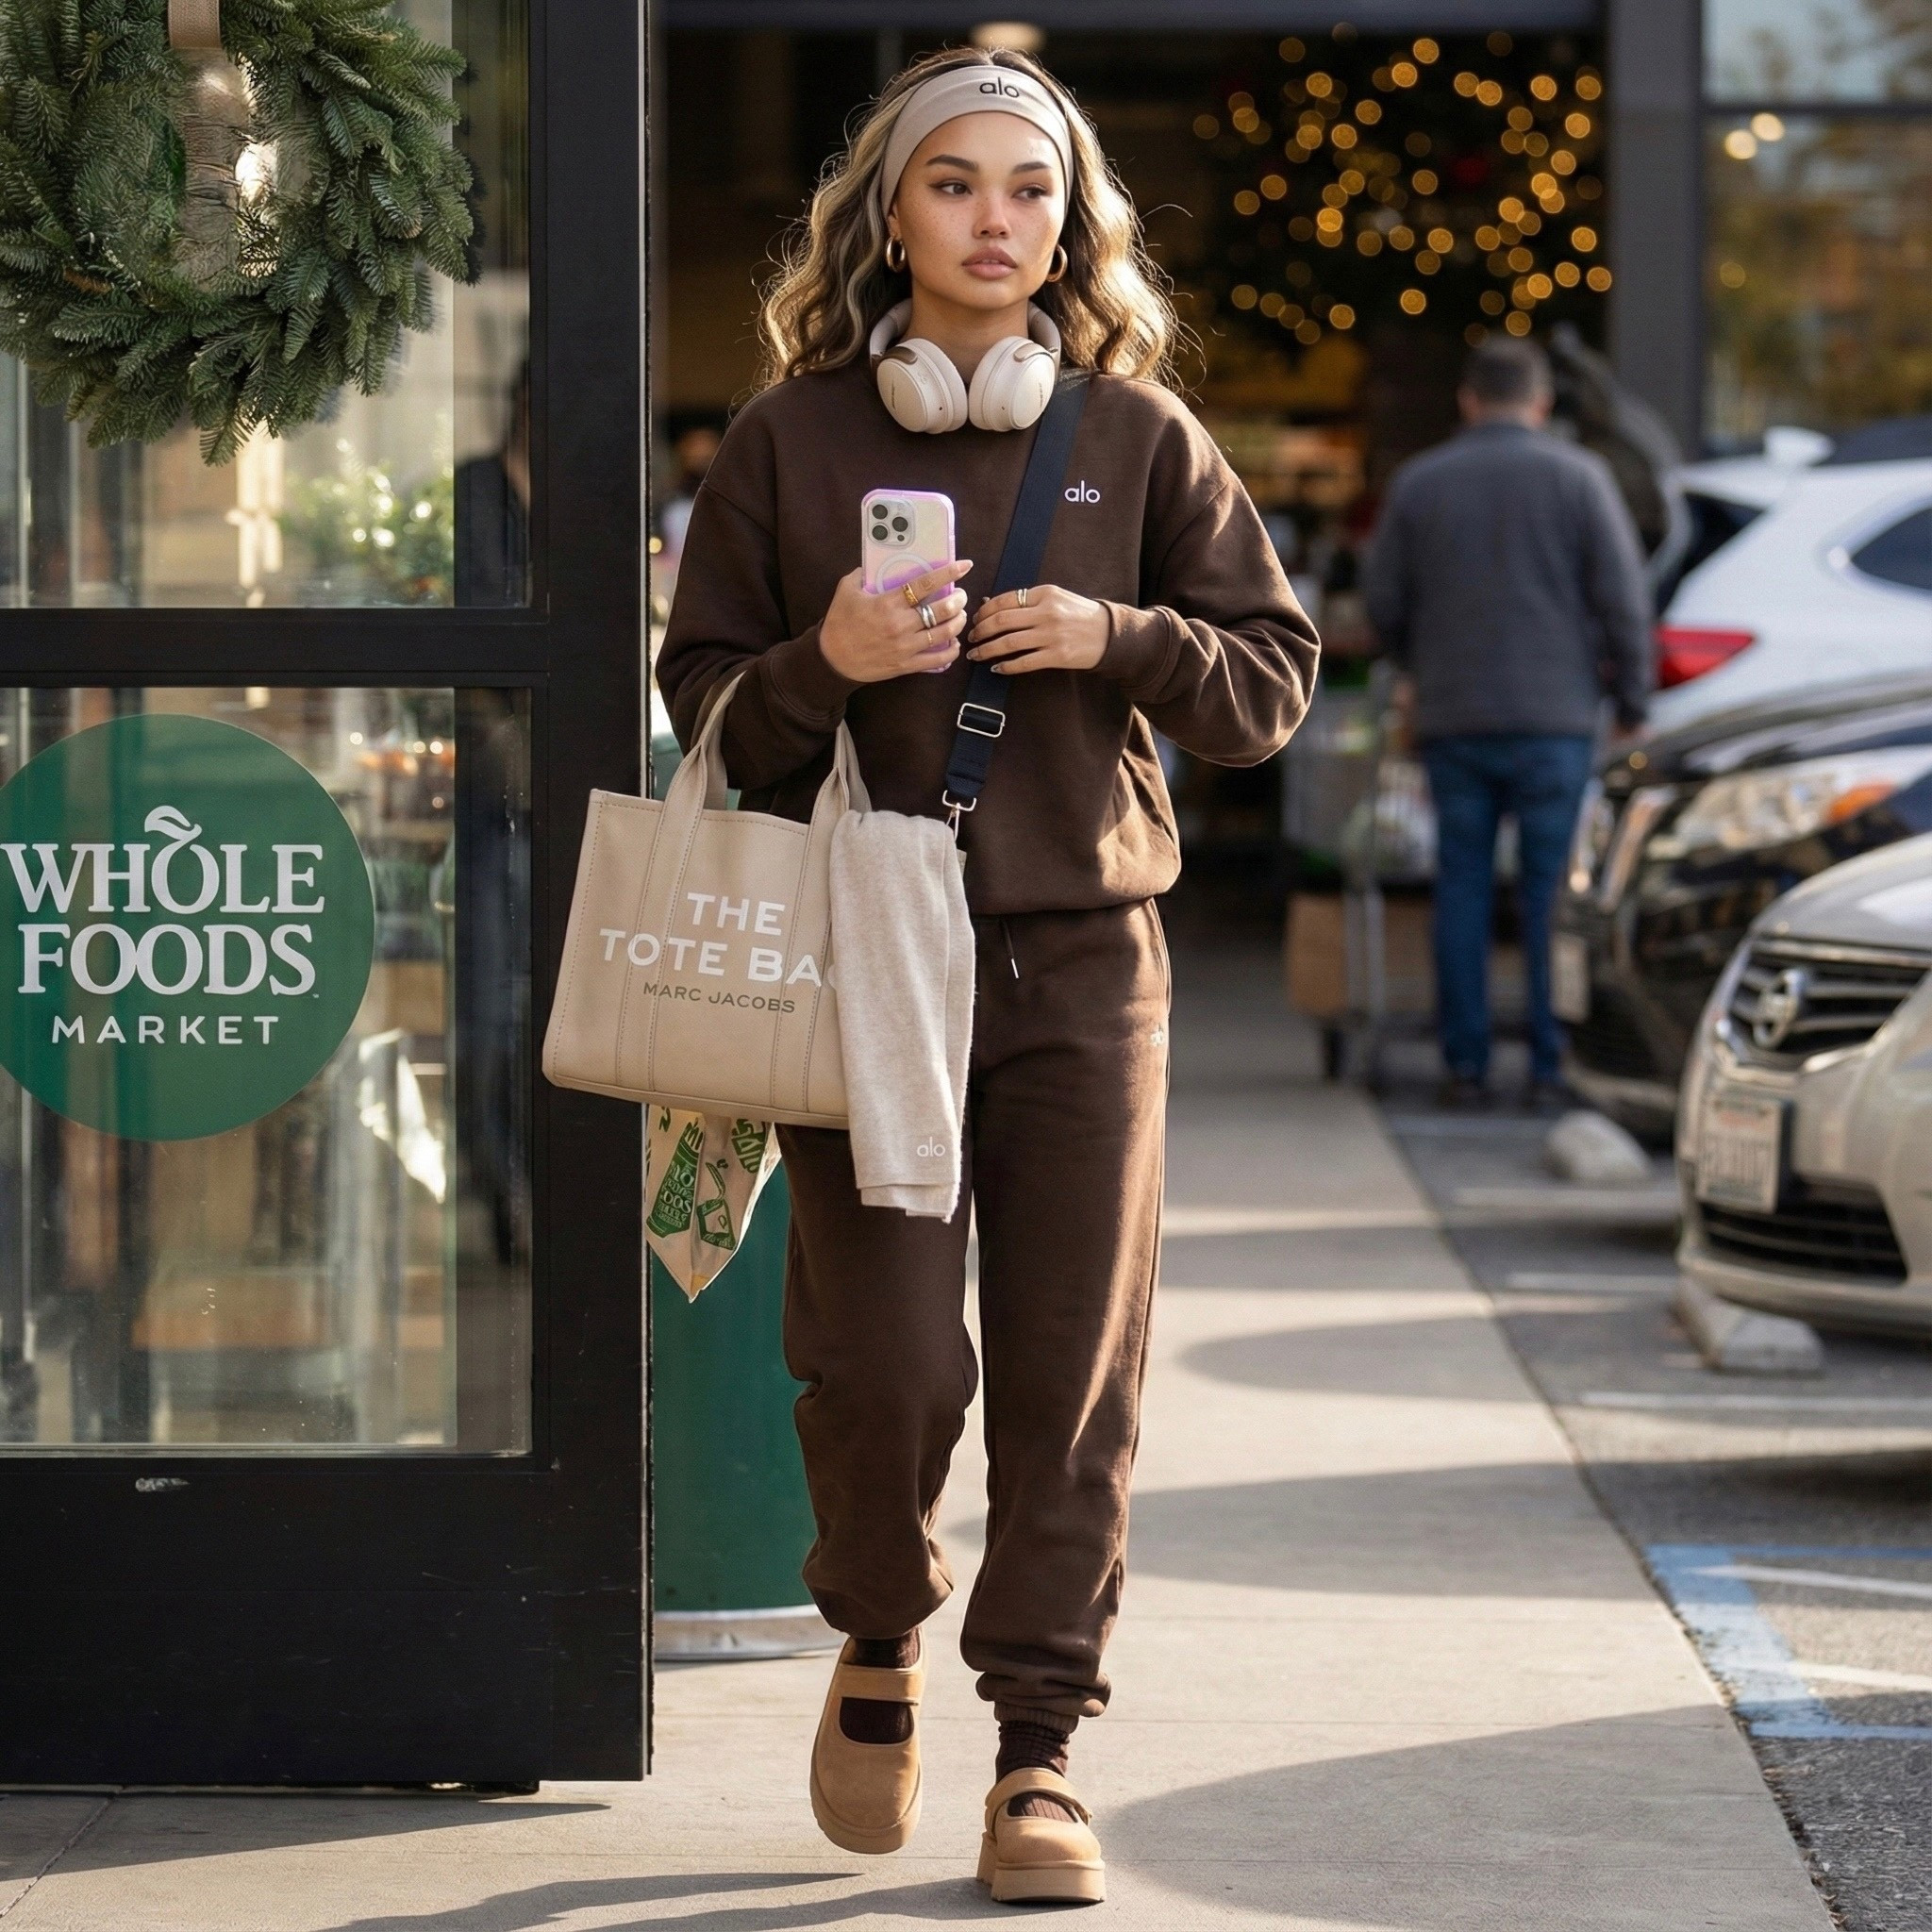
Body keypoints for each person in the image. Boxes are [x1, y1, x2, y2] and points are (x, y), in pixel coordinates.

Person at [655, 46, 1316, 1907]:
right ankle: (875, 1627)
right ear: (888, 213)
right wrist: (829, 659)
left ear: (1070, 225)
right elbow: (703, 710)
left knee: (1063, 1375)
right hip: (858, 957)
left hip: (1082, 958)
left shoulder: (1133, 439)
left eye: (1027, 191)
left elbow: (1269, 680)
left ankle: (1038, 1750)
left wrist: (1119, 634)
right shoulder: (785, 441)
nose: (993, 221)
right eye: (952, 185)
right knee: (876, 1367)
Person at [1364, 336, 1652, 1110]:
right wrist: (1633, 702)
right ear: (1542, 402)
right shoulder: (1581, 480)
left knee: (1460, 887)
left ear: (1467, 400)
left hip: (1455, 715)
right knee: (1549, 896)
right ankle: (1553, 1065)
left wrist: (1417, 662)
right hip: (1555, 718)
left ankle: (1466, 1064)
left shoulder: (1422, 484)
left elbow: (1381, 600)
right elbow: (1623, 601)